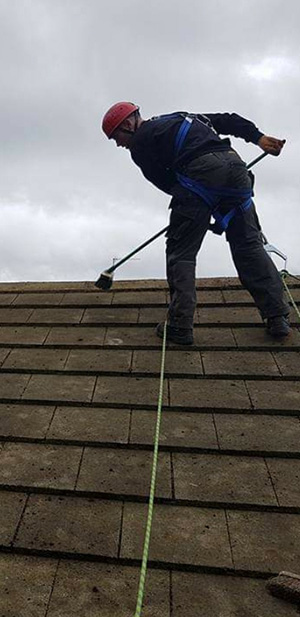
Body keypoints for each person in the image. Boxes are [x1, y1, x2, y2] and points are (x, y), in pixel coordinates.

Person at [102, 102, 290, 344]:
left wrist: (196, 206)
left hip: (200, 176)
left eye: (115, 136)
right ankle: (277, 317)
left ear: (128, 124)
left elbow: (167, 182)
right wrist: (259, 138)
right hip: (236, 169)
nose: (118, 143)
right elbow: (229, 119)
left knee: (181, 251)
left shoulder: (139, 143)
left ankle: (180, 324)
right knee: (249, 246)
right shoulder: (186, 117)